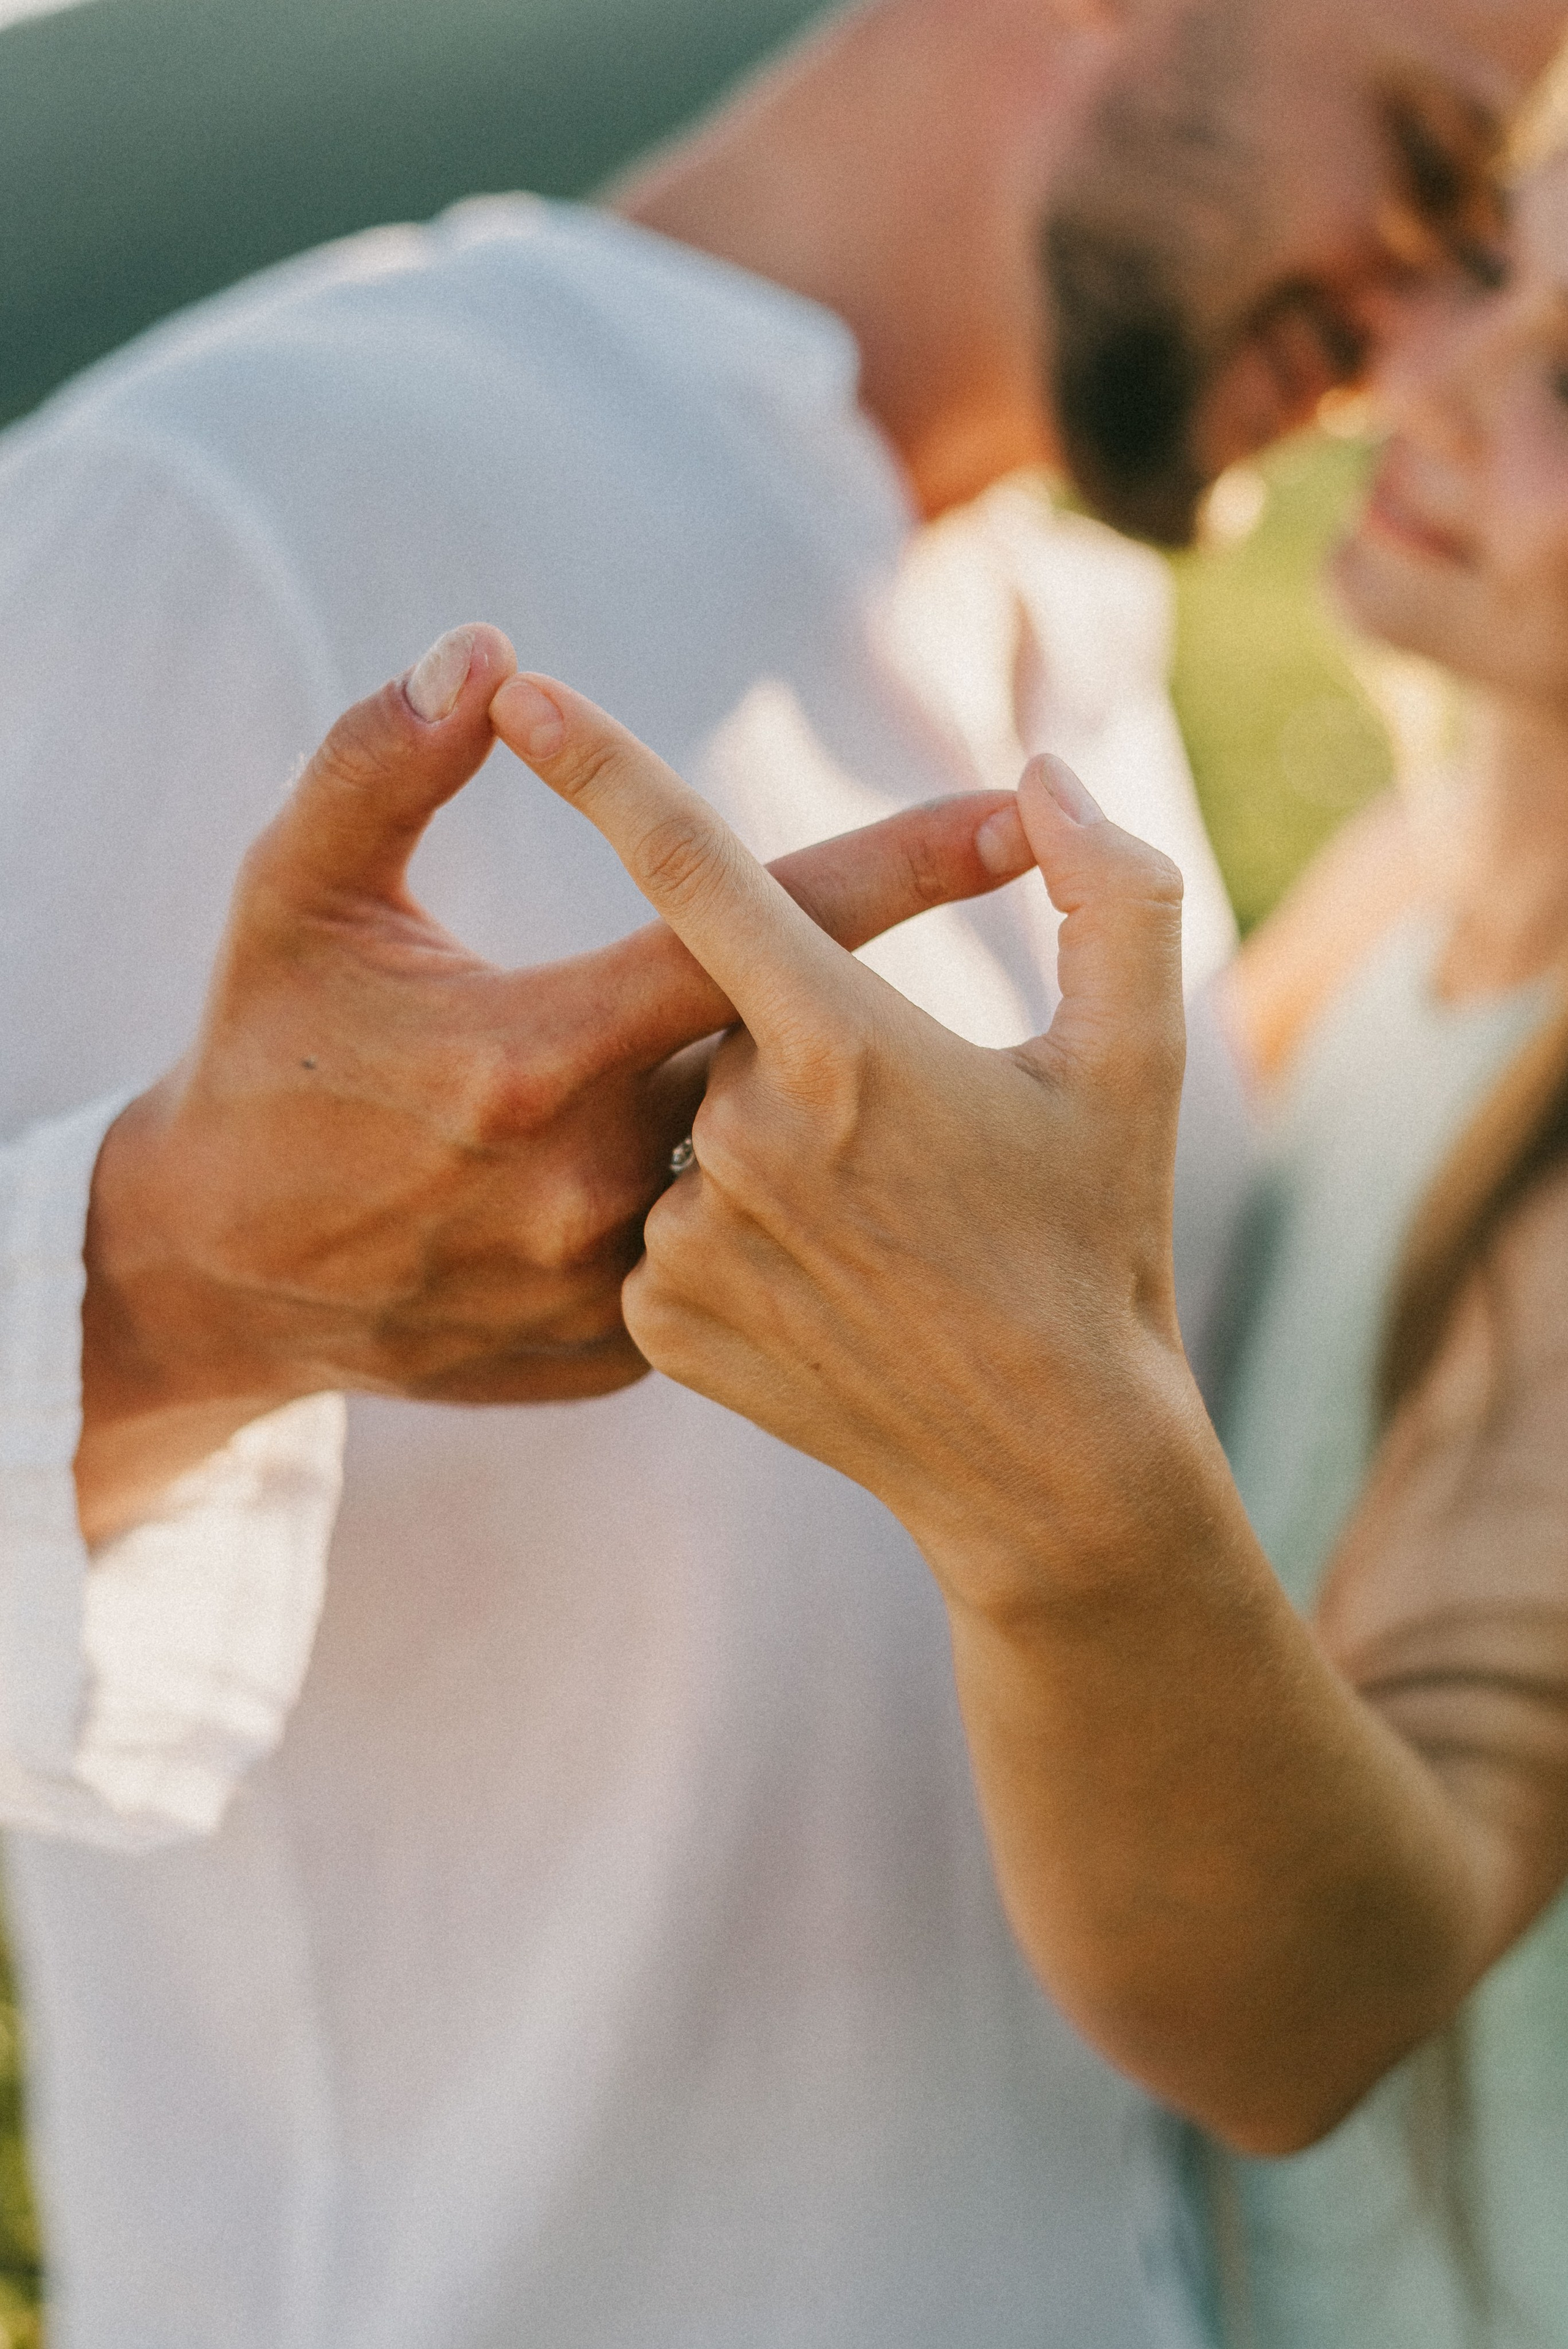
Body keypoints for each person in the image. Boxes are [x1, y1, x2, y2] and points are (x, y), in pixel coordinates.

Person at [0, 1, 1559, 2341]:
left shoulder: (1077, 655)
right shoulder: (232, 500)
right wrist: (177, 1288)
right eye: (1430, 166)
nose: (1436, 336)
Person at [544, 37, 1568, 2347]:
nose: (1416, 369)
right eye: (1481, 273)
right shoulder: (1394, 912)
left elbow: (1324, 2004)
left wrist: (1037, 1452)